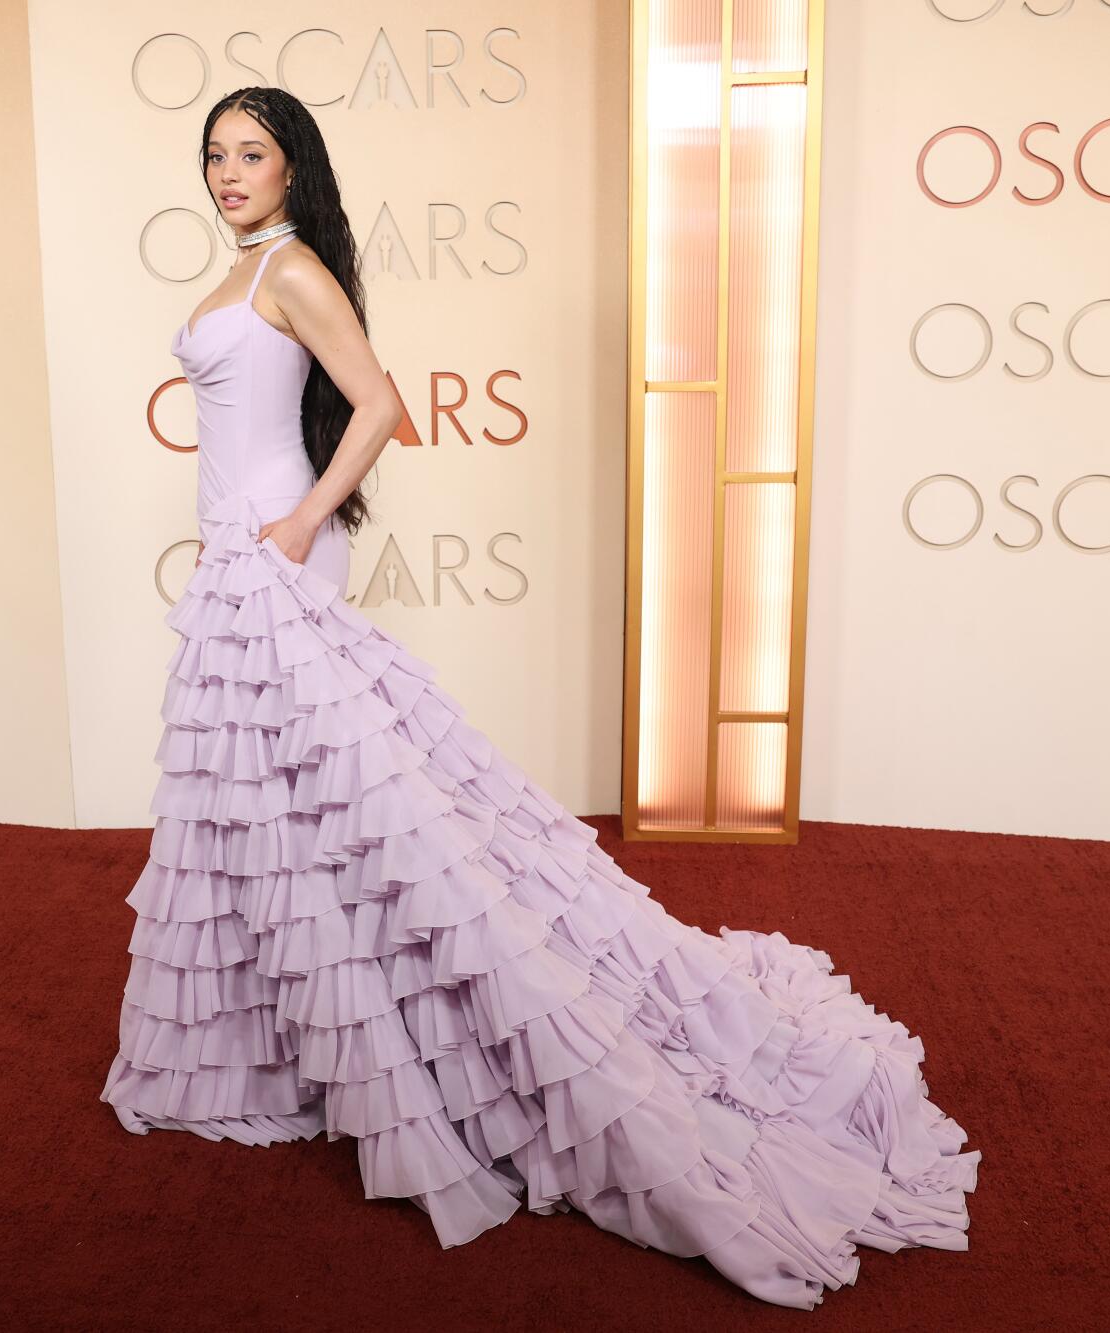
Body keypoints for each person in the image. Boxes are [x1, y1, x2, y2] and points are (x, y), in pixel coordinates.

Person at [101, 85, 979, 1311]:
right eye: (214, 154)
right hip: (239, 559)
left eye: (251, 153)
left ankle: (420, 1031)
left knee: (340, 794)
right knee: (270, 803)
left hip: (272, 554)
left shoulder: (290, 270)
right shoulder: (247, 270)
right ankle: (299, 1042)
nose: (227, 171)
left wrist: (299, 522)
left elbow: (381, 406)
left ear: (294, 169)